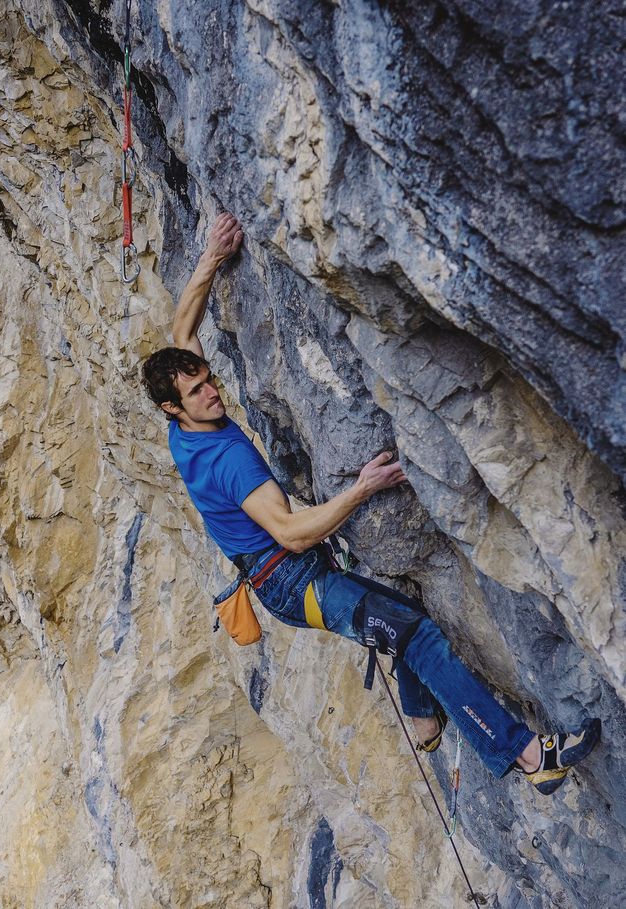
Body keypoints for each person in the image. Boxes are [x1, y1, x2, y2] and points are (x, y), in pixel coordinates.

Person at [141, 212, 600, 794]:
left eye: (208, 379)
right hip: (294, 581)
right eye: (198, 392)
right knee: (416, 635)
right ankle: (534, 759)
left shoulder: (183, 421)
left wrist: (211, 256)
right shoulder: (225, 463)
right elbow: (292, 533)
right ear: (171, 408)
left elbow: (183, 327)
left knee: (402, 617)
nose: (212, 392)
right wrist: (361, 489)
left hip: (285, 572)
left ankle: (422, 716)